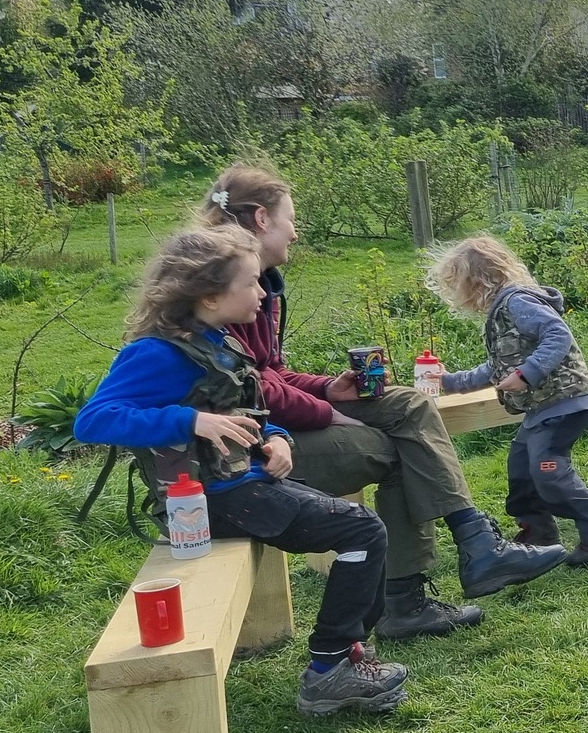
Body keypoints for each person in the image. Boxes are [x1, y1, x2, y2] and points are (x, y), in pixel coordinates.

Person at [196, 166, 566, 638]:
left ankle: (473, 543)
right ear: (263, 219)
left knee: (408, 405)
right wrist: (327, 411)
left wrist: (331, 388)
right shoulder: (220, 286)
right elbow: (249, 390)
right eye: (292, 218)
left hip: (271, 425)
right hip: (238, 454)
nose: (296, 229)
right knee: (403, 452)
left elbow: (269, 372)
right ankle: (412, 597)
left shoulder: (258, 282)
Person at [75, 225, 411, 716]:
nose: (262, 292)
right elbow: (94, 420)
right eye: (252, 283)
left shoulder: (213, 338)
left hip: (243, 484)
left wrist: (278, 437)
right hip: (209, 500)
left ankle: (347, 655)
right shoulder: (156, 352)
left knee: (360, 531)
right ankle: (330, 668)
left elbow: (244, 404)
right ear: (210, 296)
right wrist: (190, 419)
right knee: (361, 530)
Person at [427, 235, 588, 568]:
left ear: (477, 280)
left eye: (458, 285)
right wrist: (450, 381)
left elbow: (558, 334)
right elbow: (497, 368)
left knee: (549, 473)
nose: (458, 296)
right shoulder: (502, 312)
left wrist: (526, 374)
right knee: (521, 472)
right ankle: (538, 534)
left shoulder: (517, 302)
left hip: (564, 403)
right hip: (541, 409)